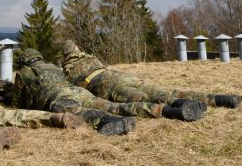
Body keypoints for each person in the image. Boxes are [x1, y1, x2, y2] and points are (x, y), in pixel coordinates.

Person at [12, 49, 204, 136]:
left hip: (58, 98)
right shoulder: (54, 67)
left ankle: (109, 122)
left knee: (82, 113)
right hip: (77, 91)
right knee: (115, 106)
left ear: (24, 62)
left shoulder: (24, 74)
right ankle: (170, 111)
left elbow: (16, 103)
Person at [60, 40, 242, 108]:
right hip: (122, 76)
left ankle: (188, 107)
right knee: (169, 91)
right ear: (77, 49)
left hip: (109, 86)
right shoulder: (91, 58)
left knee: (148, 99)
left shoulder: (68, 72)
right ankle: (221, 99)